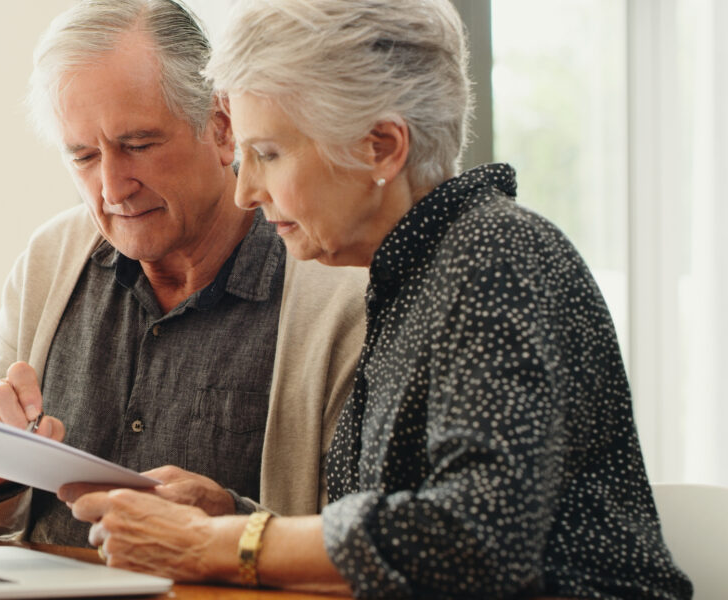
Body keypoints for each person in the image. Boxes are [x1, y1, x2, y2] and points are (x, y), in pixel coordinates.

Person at [62, 0, 693, 597]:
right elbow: (383, 539)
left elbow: (475, 538)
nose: (244, 192)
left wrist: (219, 542)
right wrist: (232, 514)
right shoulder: (411, 276)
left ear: (381, 147)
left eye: (269, 154)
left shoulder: (498, 255)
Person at [0, 0, 367, 548]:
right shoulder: (52, 259)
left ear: (222, 127)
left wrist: (232, 521)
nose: (112, 187)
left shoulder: (335, 293)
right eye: (83, 157)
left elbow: (366, 540)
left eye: (138, 146)